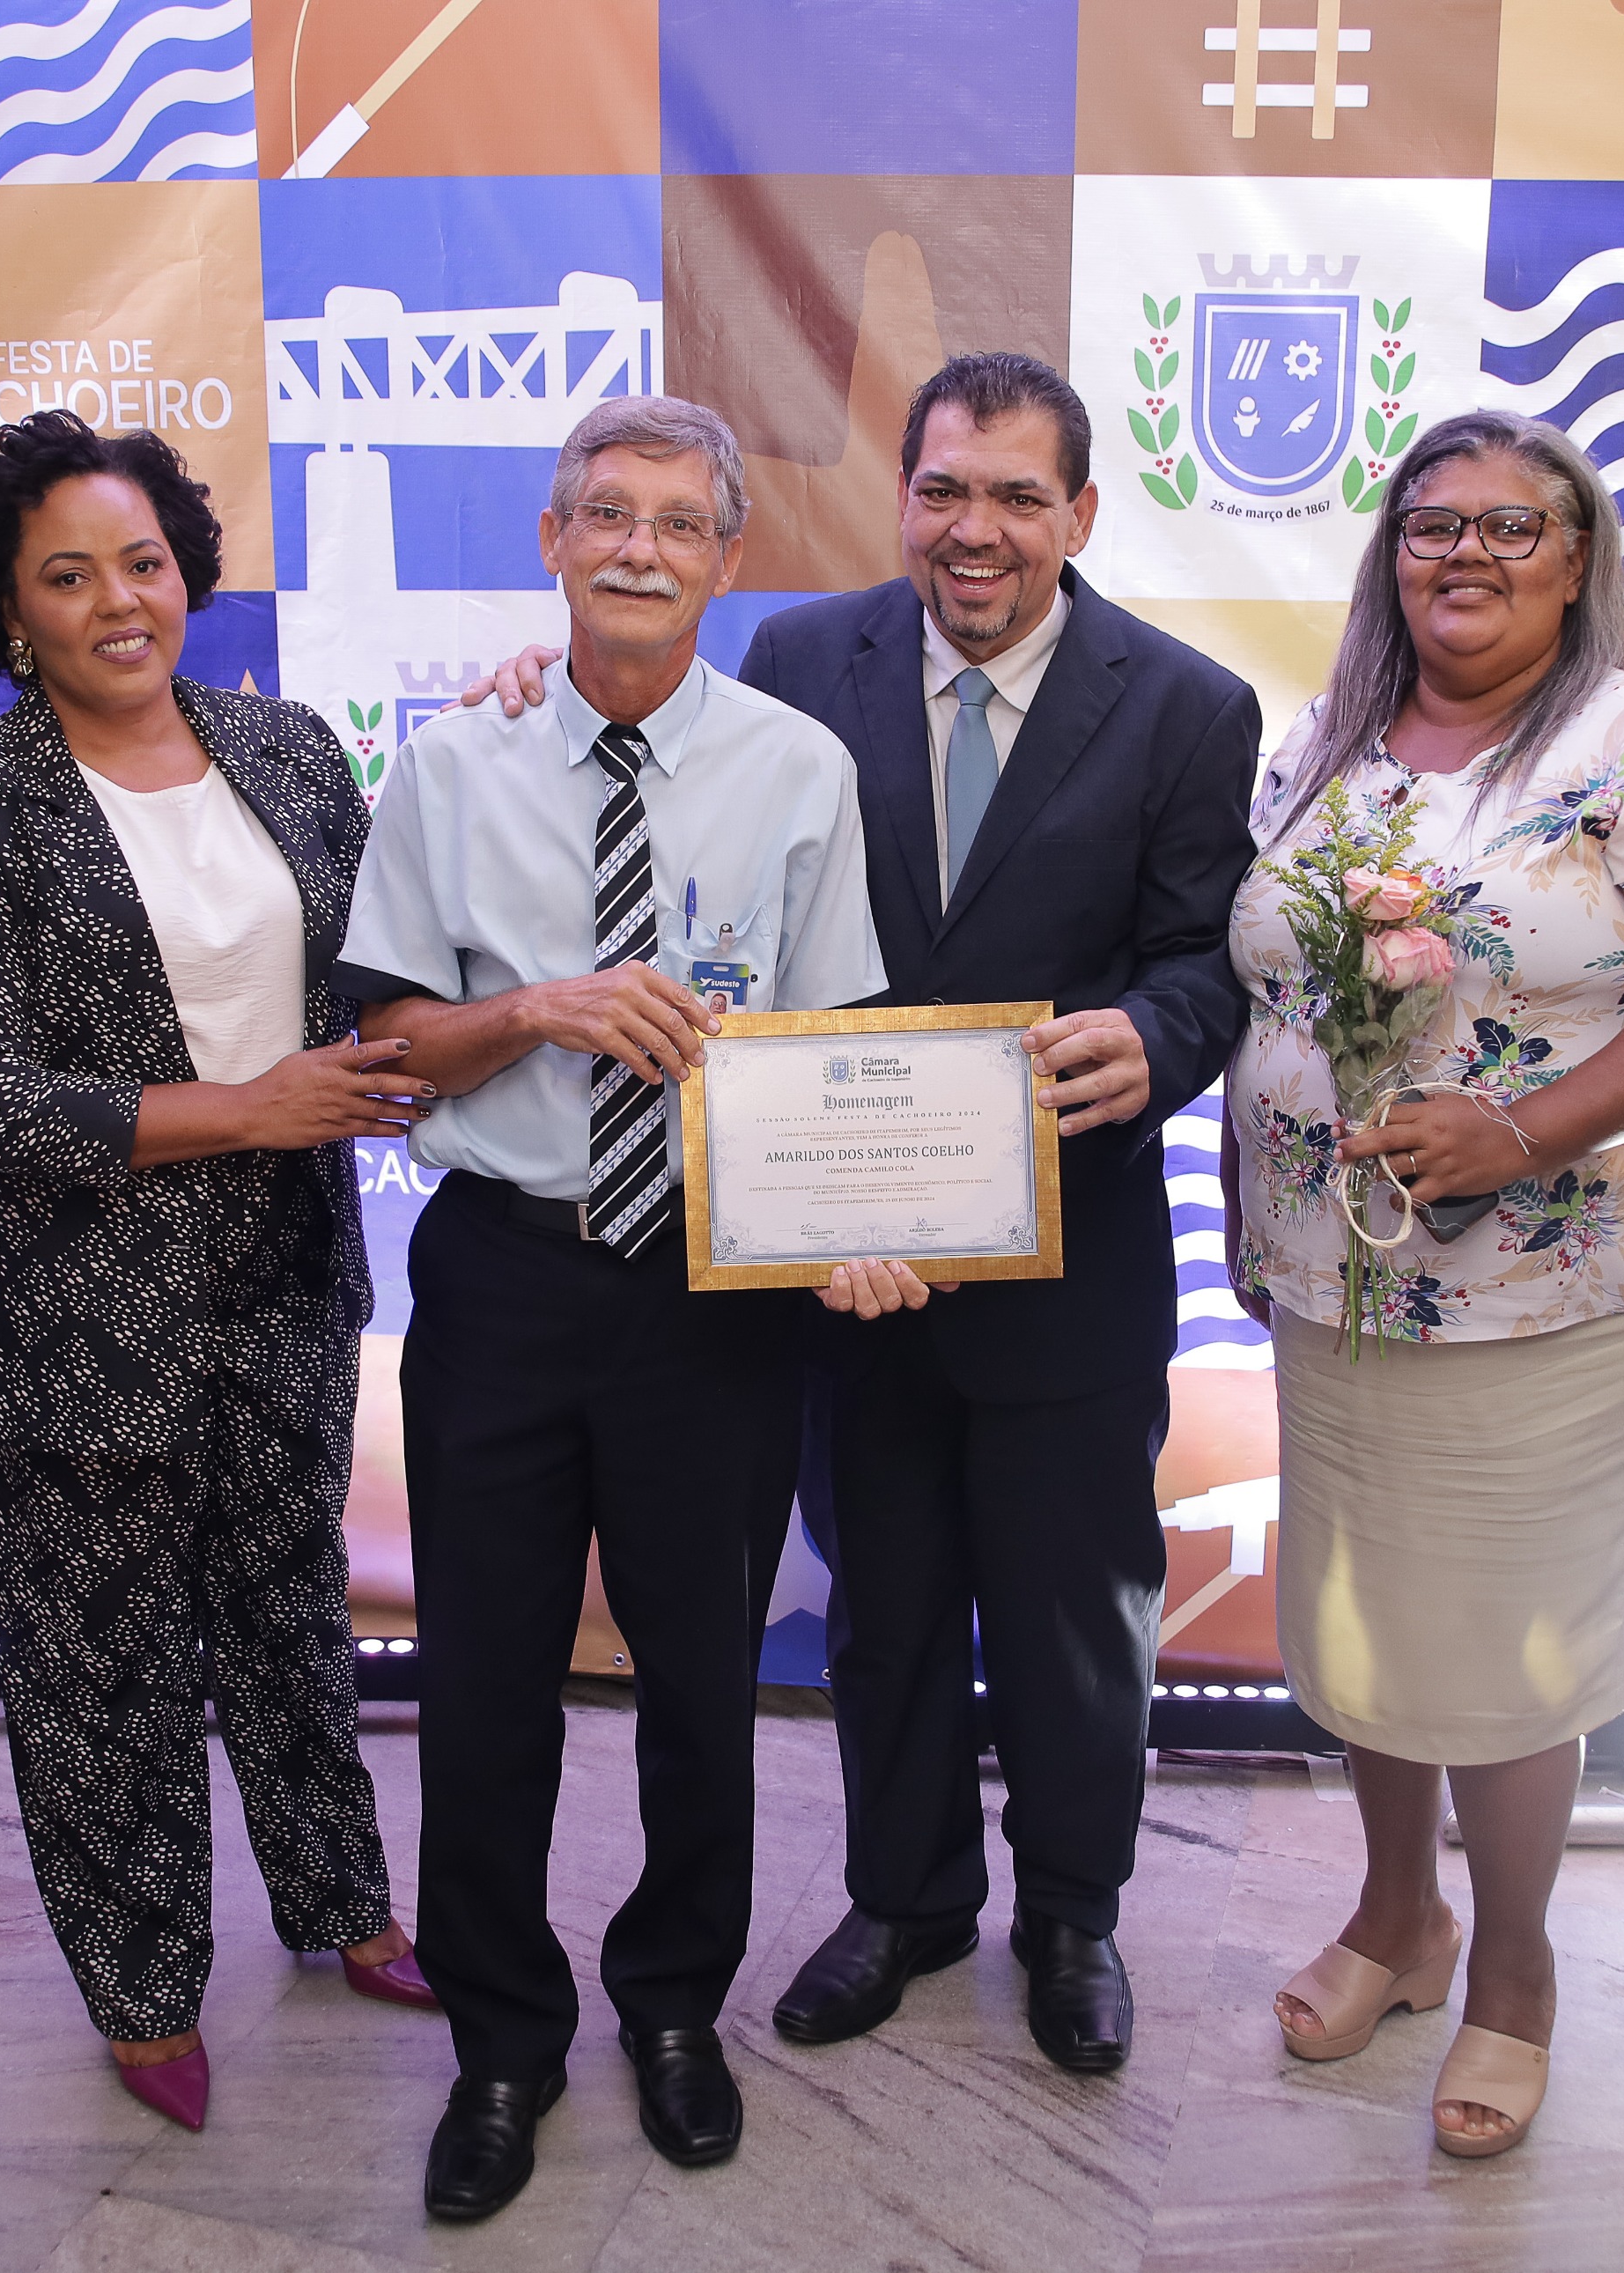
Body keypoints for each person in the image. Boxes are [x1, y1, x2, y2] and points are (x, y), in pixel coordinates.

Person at [462, 353, 1261, 2079]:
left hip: (1065, 1258)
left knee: (1074, 1616)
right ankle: (905, 1902)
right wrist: (532, 685)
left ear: (1079, 514)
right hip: (828, 1258)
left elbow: (1209, 959)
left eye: (1018, 497)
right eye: (944, 490)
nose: (976, 530)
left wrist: (1155, 1034)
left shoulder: (1189, 707)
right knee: (881, 1603)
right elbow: (665, 776)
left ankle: (1073, 1915)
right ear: (901, 498)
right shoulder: (796, 655)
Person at [330, 396, 884, 2222]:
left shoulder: (799, 769)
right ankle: (500, 2039)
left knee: (701, 1682)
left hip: (712, 1294)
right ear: (553, 540)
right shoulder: (451, 765)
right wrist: (538, 1009)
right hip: (505, 1270)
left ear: (728, 556)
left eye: (678, 521)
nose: (641, 546)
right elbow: (390, 1050)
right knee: (484, 1680)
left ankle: (670, 2007)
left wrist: (859, 1224)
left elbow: (830, 1049)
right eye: (607, 513)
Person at [0, 410, 438, 2137]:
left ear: (185, 569)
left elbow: (384, 974)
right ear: (10, 610)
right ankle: (142, 1993)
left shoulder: (289, 751)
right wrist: (253, 1106)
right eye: (69, 577)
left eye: (143, 561)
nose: (119, 600)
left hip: (284, 1282)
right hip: (74, 1319)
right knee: (100, 1670)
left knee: (288, 1618)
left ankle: (343, 1903)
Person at [1229, 410, 1624, 2159]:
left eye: (1508, 527)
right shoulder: (1321, 745)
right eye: (1430, 524)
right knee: (1364, 1625)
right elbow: (1266, 991)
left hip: (1546, 1291)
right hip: (1332, 1280)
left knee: (1513, 1648)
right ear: (1390, 555)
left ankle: (1517, 1972)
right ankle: (1399, 1916)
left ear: (1575, 558)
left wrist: (1520, 1130)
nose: (1463, 552)